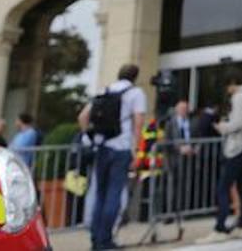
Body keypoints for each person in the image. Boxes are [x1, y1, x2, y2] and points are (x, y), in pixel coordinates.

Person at [78, 64, 148, 251]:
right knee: (114, 194)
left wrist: (87, 137)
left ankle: (95, 239)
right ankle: (105, 240)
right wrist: (137, 151)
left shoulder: (105, 90)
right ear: (135, 76)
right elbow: (139, 123)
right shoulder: (136, 93)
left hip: (101, 147)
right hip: (122, 148)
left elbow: (83, 116)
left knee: (100, 195)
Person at [197, 69, 242, 243]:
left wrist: (223, 127)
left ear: (232, 82)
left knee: (223, 186)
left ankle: (220, 228)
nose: (226, 90)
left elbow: (238, 123)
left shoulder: (240, 96)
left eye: (227, 85)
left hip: (238, 146)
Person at [161, 100, 196, 215]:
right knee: (171, 186)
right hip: (173, 158)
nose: (184, 111)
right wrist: (179, 148)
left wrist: (193, 148)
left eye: (186, 109)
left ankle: (183, 210)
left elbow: (196, 137)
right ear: (176, 110)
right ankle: (170, 212)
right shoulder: (170, 123)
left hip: (188, 158)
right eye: (181, 109)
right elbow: (167, 141)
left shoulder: (191, 122)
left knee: (185, 185)